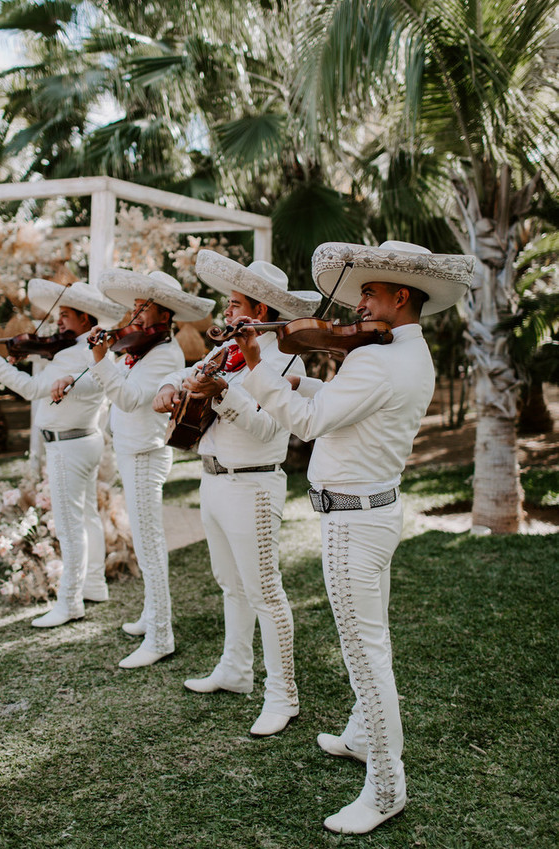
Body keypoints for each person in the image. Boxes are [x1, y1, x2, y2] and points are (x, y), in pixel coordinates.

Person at [234, 240, 475, 833]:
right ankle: (363, 735)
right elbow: (351, 405)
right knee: (374, 643)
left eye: (369, 292)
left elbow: (310, 425)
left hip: (351, 523)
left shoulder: (374, 360)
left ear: (400, 295)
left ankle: (387, 788)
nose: (358, 304)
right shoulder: (409, 353)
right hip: (377, 511)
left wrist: (258, 368)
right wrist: (301, 384)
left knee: (365, 658)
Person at [153, 252, 321, 736]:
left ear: (259, 311)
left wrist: (223, 393)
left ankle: (283, 695)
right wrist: (169, 385)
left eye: (234, 304)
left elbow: (268, 427)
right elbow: (188, 373)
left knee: (265, 592)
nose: (226, 312)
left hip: (254, 484)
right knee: (230, 584)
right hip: (212, 479)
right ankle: (235, 669)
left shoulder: (284, 358)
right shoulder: (224, 349)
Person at [51, 270, 215, 669]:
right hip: (130, 451)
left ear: (165, 315)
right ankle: (150, 614)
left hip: (145, 455)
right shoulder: (140, 348)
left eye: (144, 308)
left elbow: (127, 398)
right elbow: (108, 381)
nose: (135, 314)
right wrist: (81, 373)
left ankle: (161, 634)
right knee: (145, 542)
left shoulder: (166, 354)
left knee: (149, 545)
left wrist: (99, 359)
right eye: (135, 307)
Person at [0, 279, 127, 627]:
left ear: (85, 319)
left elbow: (30, 388)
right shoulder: (87, 350)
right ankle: (94, 584)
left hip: (67, 445)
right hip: (85, 440)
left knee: (69, 525)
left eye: (65, 315)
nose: (58, 322)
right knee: (88, 517)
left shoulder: (73, 353)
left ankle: (70, 602)